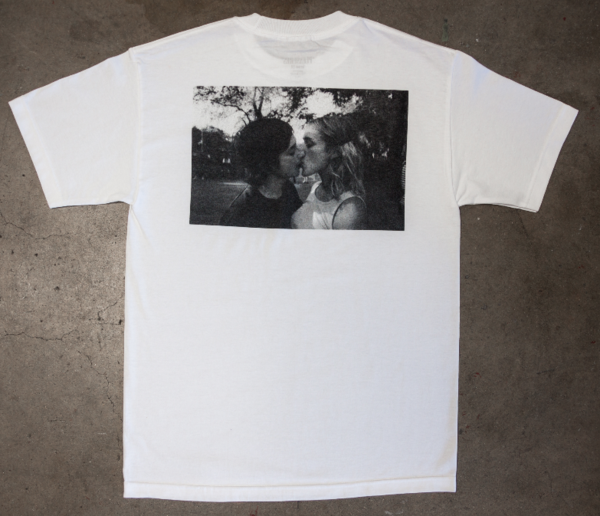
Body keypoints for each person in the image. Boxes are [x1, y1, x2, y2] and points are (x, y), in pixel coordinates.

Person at [220, 118, 303, 229]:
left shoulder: (288, 190)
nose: (301, 153)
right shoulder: (241, 215)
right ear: (268, 162)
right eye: (291, 152)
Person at [291, 114, 367, 230]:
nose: (301, 153)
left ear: (334, 151)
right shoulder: (316, 187)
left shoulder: (349, 209)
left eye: (309, 144)